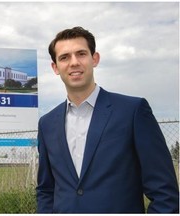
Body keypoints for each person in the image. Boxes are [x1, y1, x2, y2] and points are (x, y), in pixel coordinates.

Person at [36, 26, 179, 213]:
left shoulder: (133, 111)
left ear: (94, 59)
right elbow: (46, 190)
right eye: (64, 57)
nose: (74, 63)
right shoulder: (47, 124)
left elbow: (165, 194)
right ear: (55, 67)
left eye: (81, 54)